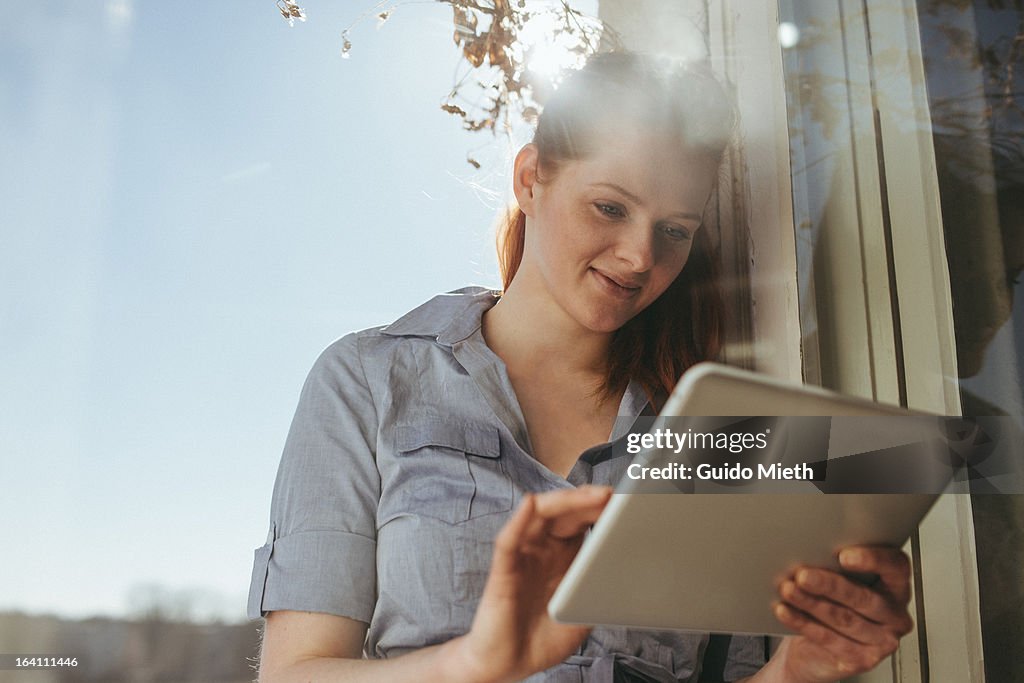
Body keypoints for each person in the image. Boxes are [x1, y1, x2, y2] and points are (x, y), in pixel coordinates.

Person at [247, 52, 914, 682]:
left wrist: (794, 671)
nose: (638, 257)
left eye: (675, 229)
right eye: (611, 207)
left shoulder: (715, 434)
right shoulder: (367, 380)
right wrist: (474, 661)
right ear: (530, 178)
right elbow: (296, 672)